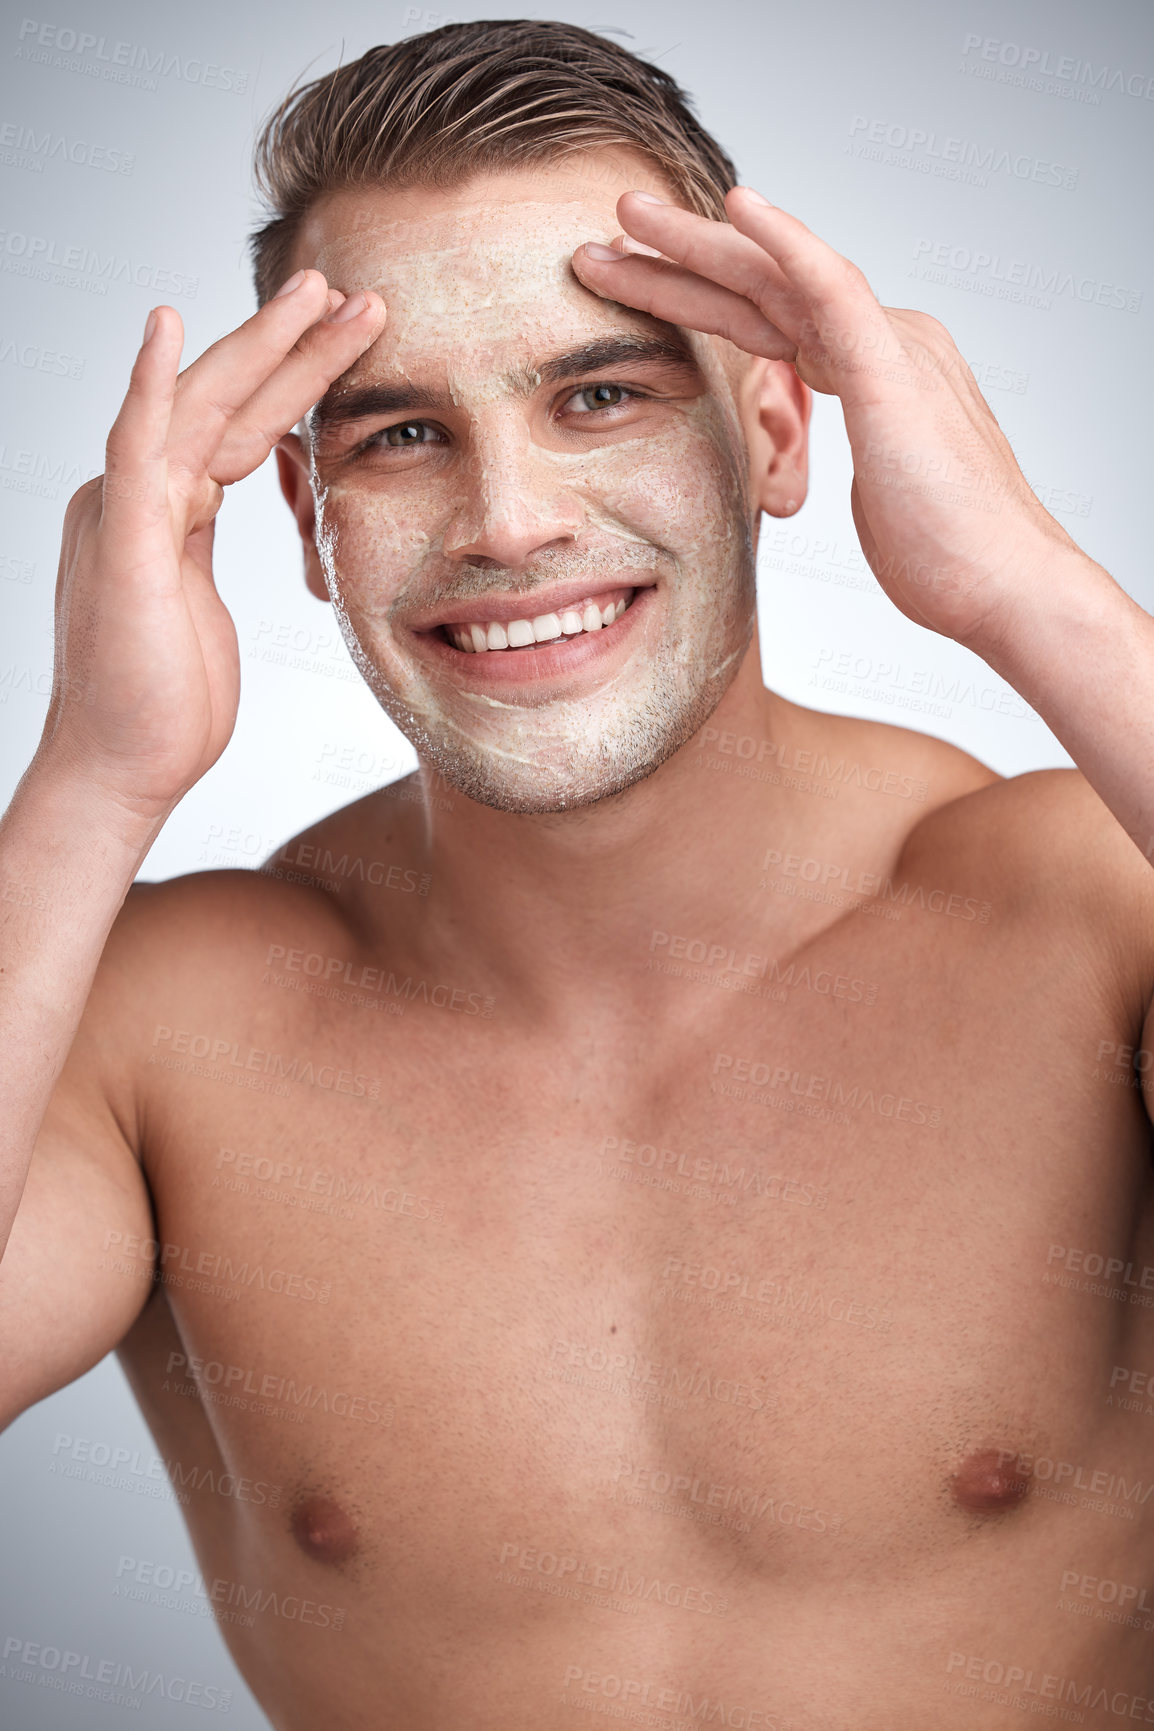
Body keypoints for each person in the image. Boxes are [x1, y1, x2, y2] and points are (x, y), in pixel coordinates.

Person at [2, 17, 1153, 1728]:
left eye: (597, 394)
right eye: (398, 436)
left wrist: (1027, 595)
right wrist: (94, 775)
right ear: (308, 527)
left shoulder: (1084, 905)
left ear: (774, 434)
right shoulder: (157, 1016)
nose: (509, 519)